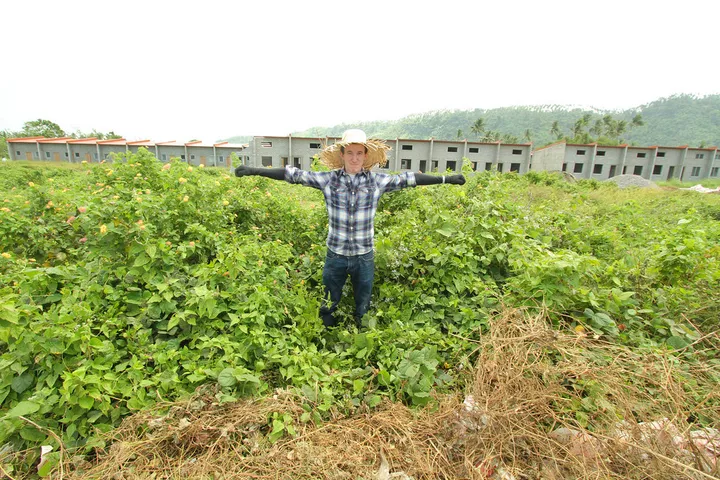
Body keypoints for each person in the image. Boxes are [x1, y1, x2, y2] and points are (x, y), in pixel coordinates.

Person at [234, 129, 465, 328]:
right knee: (328, 300)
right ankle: (326, 334)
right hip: (335, 254)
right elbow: (292, 175)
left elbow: (409, 179)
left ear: (365, 156)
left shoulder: (377, 182)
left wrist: (447, 179)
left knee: (362, 300)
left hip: (364, 256)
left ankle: (360, 330)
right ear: (342, 155)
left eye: (359, 153)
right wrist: (255, 170)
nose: (354, 158)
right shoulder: (328, 180)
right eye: (350, 153)